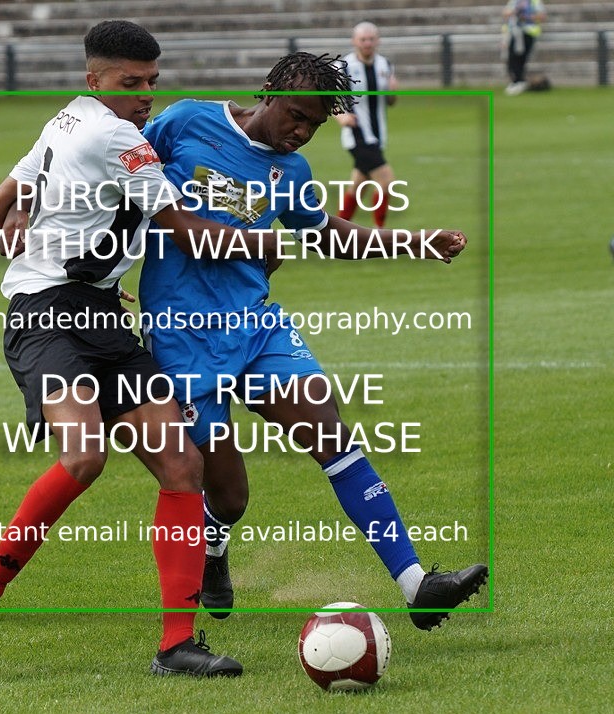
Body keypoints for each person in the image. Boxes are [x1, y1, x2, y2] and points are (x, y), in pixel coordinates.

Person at [0, 20, 284, 678]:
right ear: (95, 79)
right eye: (132, 83)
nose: (145, 94)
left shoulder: (65, 120)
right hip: (48, 319)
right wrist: (275, 244)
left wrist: (37, 234)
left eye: (153, 82)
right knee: (85, 455)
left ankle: (176, 646)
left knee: (182, 468)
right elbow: (185, 231)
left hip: (98, 316)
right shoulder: (115, 135)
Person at [138, 51, 488, 630]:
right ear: (270, 91)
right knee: (228, 497)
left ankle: (416, 584)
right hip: (183, 339)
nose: (301, 132)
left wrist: (414, 242)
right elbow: (122, 177)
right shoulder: (185, 122)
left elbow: (328, 236)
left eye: (314, 126)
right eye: (296, 116)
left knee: (332, 434)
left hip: (256, 326)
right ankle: (215, 551)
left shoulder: (290, 172)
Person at [335, 22, 398, 228]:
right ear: (354, 41)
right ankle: (380, 232)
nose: (367, 43)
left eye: (371, 39)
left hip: (378, 135)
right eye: (363, 39)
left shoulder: (385, 65)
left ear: (377, 40)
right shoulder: (343, 66)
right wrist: (341, 116)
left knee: (357, 187)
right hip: (357, 135)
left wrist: (393, 92)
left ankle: (336, 232)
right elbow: (329, 99)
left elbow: (391, 101)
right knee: (386, 181)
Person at [503, 0, 546, 95]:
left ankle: (519, 81)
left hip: (528, 33)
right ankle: (516, 81)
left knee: (520, 58)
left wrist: (527, 17)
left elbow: (542, 16)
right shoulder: (514, 1)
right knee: (512, 58)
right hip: (515, 33)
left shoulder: (535, 2)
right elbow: (506, 13)